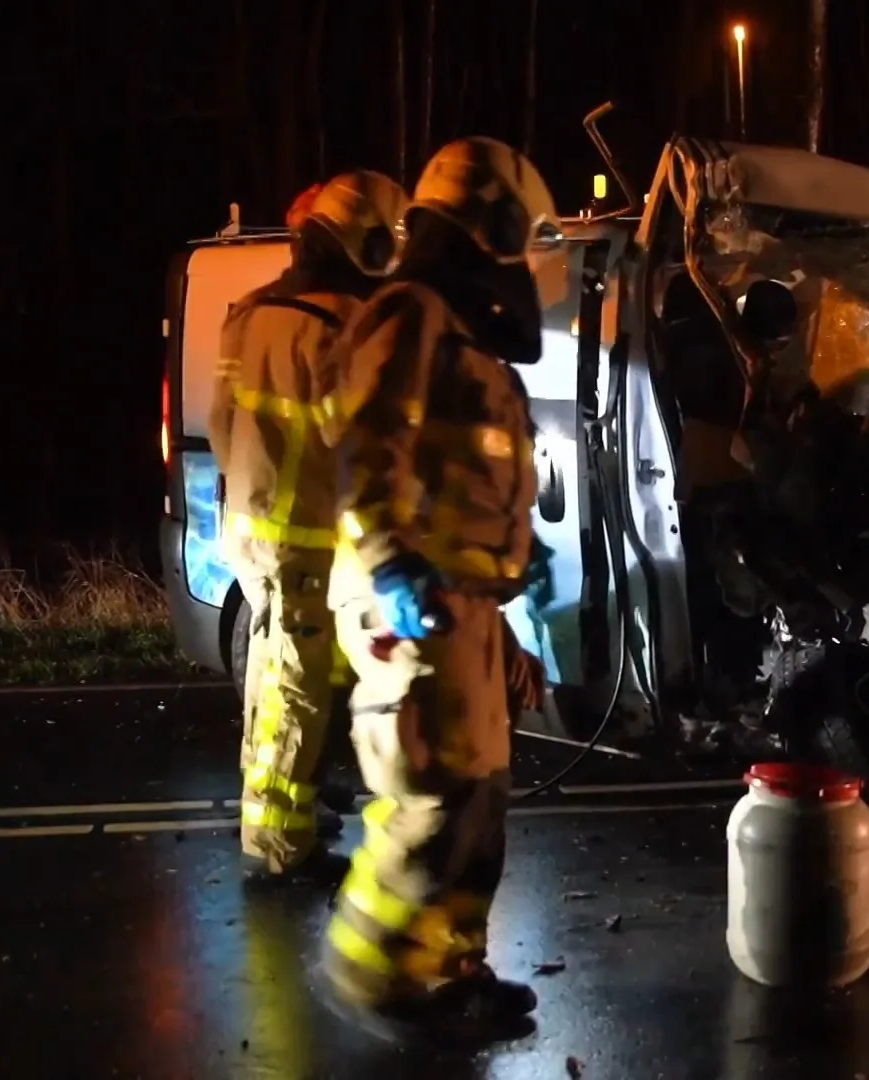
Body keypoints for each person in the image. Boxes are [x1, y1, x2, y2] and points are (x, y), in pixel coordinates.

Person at [319, 136, 560, 1039]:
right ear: (490, 220)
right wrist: (390, 564)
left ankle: (455, 971)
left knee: (476, 802)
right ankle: (371, 973)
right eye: (518, 230)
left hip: (465, 601)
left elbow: (472, 466)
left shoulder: (464, 334)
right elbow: (369, 441)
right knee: (428, 798)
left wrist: (512, 559)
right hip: (414, 597)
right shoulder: (411, 312)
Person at [207, 170, 411, 883]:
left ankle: (275, 820)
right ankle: (281, 850)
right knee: (294, 690)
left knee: (272, 680)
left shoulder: (253, 310)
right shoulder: (345, 328)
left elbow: (218, 420)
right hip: (307, 535)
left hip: (251, 529)